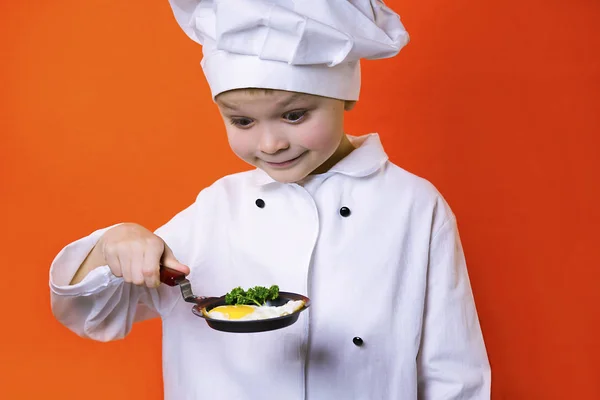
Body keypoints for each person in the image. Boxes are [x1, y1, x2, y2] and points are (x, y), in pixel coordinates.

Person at [49, 0, 491, 399]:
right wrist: (113, 245)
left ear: (344, 95)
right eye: (242, 122)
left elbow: (453, 373)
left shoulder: (413, 205)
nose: (271, 143)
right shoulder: (216, 209)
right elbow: (93, 313)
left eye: (294, 115)